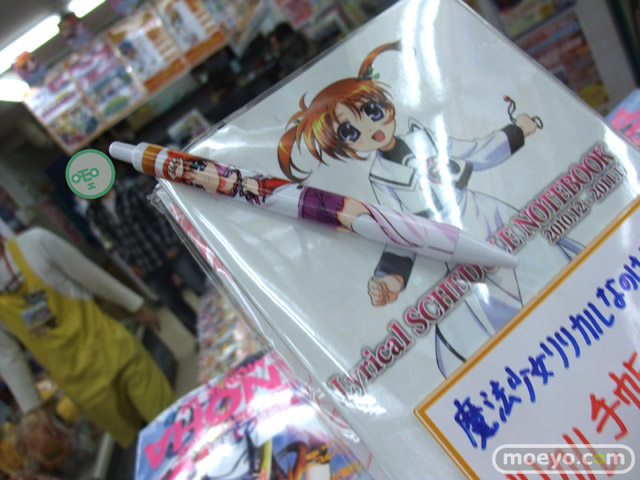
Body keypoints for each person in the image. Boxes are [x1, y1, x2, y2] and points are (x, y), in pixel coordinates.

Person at [275, 41, 582, 376]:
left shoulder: (425, 137)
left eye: (372, 111)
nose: (370, 129)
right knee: (505, 322)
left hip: (489, 216)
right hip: (453, 247)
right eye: (350, 132)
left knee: (556, 276)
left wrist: (517, 130)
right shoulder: (381, 178)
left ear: (386, 104)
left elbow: (476, 153)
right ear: (344, 146)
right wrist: (392, 278)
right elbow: (398, 231)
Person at [0, 227, 177, 448]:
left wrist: (135, 305)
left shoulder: (35, 243)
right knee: (146, 447)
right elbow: (7, 356)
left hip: (115, 351)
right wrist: (35, 409)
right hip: (85, 389)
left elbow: (90, 275)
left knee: (173, 420)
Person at [84, 177, 207, 336]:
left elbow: (158, 214)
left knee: (201, 287)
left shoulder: (129, 190)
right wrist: (131, 264)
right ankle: (203, 336)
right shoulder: (94, 212)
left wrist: (170, 242)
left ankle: (228, 322)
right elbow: (113, 240)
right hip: (145, 264)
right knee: (175, 305)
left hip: (166, 249)